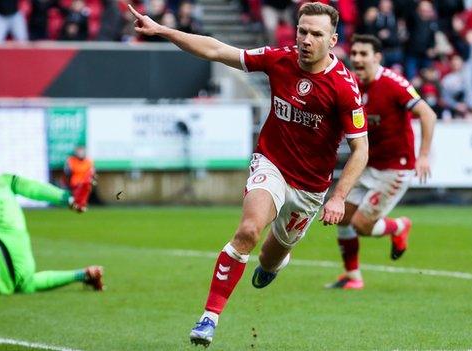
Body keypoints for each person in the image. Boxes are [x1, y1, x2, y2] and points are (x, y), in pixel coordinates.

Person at [128, 2, 369, 347]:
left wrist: (339, 197)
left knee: (271, 257)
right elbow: (216, 49)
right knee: (248, 230)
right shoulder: (278, 58)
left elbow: (361, 150)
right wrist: (163, 31)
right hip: (271, 164)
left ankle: (274, 263)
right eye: (302, 31)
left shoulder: (343, 88)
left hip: (310, 188)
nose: (306, 40)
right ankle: (209, 318)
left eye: (316, 34)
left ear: (332, 41)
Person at [325, 34, 436, 290]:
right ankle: (353, 278)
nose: (357, 59)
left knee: (361, 225)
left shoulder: (393, 84)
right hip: (367, 165)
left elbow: (427, 114)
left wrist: (424, 155)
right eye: (354, 54)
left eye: (363, 54)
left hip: (395, 168)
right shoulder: (351, 83)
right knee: (341, 218)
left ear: (377, 57)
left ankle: (398, 227)